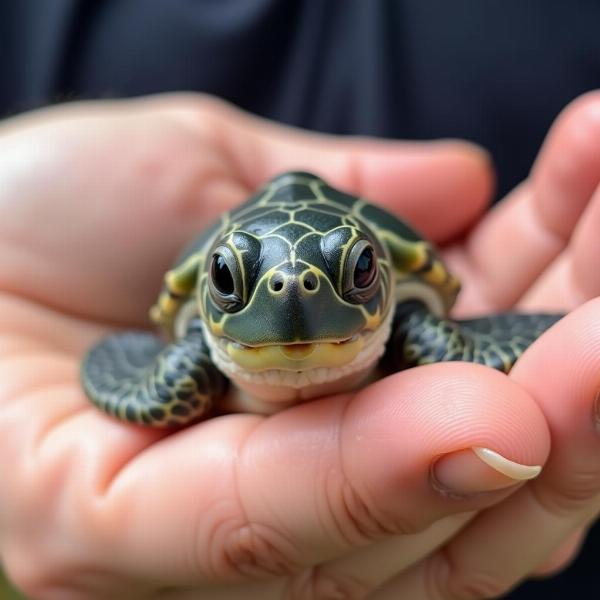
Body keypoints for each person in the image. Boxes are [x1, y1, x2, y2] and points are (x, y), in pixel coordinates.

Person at [1, 2, 600, 598]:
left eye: (358, 271)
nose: (293, 290)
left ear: (385, 281)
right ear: (209, 297)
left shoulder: (412, 329)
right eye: (234, 282)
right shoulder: (192, 364)